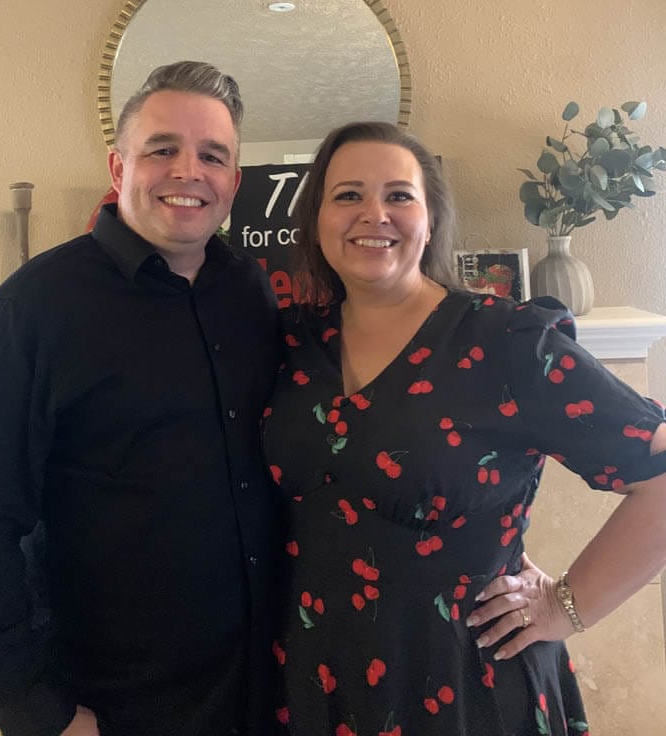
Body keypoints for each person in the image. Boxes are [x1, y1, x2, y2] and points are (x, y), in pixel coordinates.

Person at [262, 121, 666, 735]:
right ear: (316, 220)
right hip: (316, 680)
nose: (374, 214)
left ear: (430, 220)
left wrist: (565, 606)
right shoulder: (290, 342)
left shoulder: (507, 340)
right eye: (348, 195)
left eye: (399, 195)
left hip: (465, 686)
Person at [0, 61, 281, 736]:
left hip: (260, 687)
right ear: (119, 167)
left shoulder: (250, 292)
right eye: (162, 149)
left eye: (212, 155)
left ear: (234, 181)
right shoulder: (30, 313)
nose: (189, 171)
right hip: (117, 706)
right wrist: (37, 710)